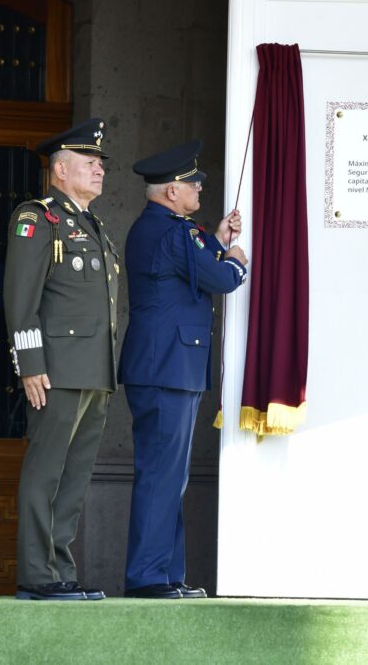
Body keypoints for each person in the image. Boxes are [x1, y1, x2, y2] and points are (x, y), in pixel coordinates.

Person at [119, 140, 249, 599]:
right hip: (167, 369)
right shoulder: (173, 232)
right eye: (192, 183)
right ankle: (149, 577)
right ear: (171, 191)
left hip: (167, 367)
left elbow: (188, 268)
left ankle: (166, 575)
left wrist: (214, 241)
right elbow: (217, 279)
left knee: (169, 475)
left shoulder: (165, 231)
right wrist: (234, 261)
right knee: (161, 474)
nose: (198, 189)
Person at [4, 118, 119, 601]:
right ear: (59, 170)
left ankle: (59, 571)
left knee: (74, 477)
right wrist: (30, 362)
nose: (99, 171)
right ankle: (36, 574)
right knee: (47, 470)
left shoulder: (93, 225)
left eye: (99, 165)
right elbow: (19, 296)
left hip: (93, 368)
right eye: (89, 164)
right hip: (55, 369)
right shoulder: (38, 218)